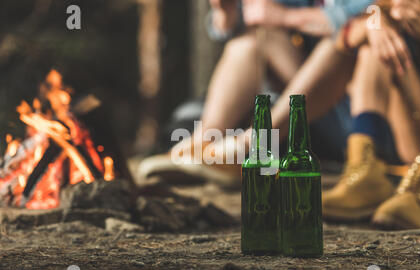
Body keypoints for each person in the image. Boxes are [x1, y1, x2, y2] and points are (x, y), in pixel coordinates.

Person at [138, 0, 374, 185]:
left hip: (359, 111)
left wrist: (284, 16)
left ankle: (250, 146)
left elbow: (368, 19)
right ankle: (203, 144)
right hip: (314, 108)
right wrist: (226, 14)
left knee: (342, 42)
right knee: (257, 36)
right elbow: (255, 16)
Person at [321, 0, 420, 229]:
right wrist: (375, 24)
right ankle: (364, 172)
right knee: (376, 44)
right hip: (416, 129)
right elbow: (342, 41)